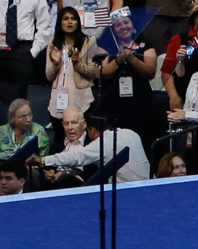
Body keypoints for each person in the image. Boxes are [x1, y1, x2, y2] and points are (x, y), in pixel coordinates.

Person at [27, 115, 150, 183]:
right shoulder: (131, 133)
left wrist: (43, 160)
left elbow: (76, 157)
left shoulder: (103, 143)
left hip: (124, 192)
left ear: (93, 130)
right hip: (147, 184)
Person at [100, 6, 157, 152]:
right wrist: (118, 60)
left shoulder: (146, 45)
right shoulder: (107, 46)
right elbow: (104, 73)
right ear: (112, 29)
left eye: (126, 22)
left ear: (133, 25)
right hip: (114, 107)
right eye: (118, 25)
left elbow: (150, 71)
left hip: (140, 106)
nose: (123, 27)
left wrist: (133, 59)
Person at [46, 7, 98, 146]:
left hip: (80, 98)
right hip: (58, 100)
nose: (70, 22)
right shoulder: (53, 43)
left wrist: (77, 63)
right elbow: (49, 76)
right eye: (66, 19)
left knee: (81, 140)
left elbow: (96, 72)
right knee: (59, 140)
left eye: (73, 19)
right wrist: (56, 63)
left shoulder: (89, 42)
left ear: (78, 22)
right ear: (60, 22)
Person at [0, 0, 51, 88]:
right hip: (1, 49)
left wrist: (33, 52)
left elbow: (44, 27)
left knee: (20, 95)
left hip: (22, 51)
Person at [58, 0, 123, 38]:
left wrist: (105, 32)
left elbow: (118, 3)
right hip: (72, 36)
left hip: (98, 34)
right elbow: (62, 10)